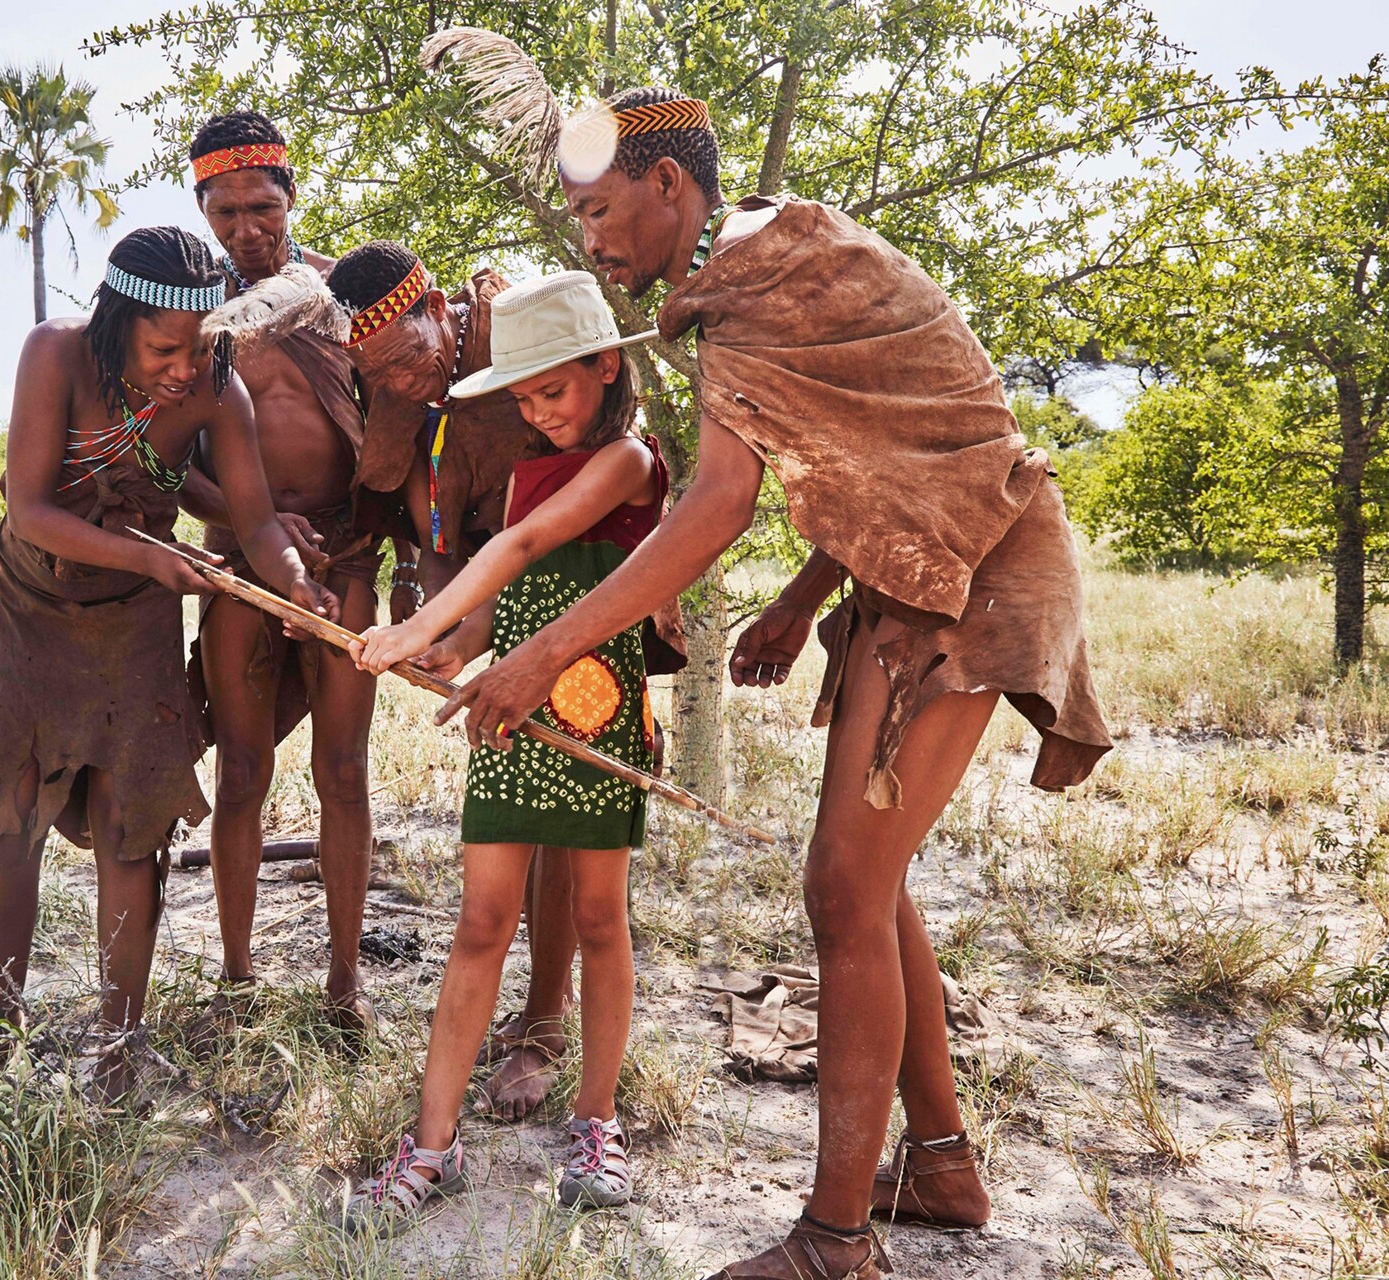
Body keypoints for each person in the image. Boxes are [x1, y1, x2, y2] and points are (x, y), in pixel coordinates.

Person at [439, 88, 1113, 1279]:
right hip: (917, 570)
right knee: (869, 881)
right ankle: (944, 1165)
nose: (592, 242)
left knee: (844, 889)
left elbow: (716, 506)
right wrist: (806, 598)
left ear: (666, 188)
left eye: (600, 212)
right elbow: (885, 433)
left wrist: (538, 655)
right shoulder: (751, 271)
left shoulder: (757, 275)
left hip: (975, 572)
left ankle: (834, 1240)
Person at [0, 226, 336, 1098]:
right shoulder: (56, 356)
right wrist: (156, 558)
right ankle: (1, 1025)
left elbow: (259, 522)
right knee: (12, 816)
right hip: (30, 613)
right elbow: (31, 509)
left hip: (136, 626)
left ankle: (121, 1038)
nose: (187, 368)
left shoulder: (216, 390)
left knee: (133, 822)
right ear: (118, 324)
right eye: (166, 348)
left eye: (202, 347)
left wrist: (300, 585)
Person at [336, 271, 665, 1234]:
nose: (538, 413)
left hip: (597, 715)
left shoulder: (630, 464)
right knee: (482, 922)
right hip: (511, 726)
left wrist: (422, 619)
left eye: (552, 392)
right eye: (521, 398)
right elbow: (498, 605)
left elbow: (523, 549)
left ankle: (595, 1123)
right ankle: (431, 1144)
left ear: (607, 368)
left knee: (602, 920)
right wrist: (443, 644)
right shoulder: (526, 470)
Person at [328, 243, 586, 1118]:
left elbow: (564, 510)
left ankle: (548, 1021)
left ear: (437, 307)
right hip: (487, 612)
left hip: (579, 605)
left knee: (565, 821)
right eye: (378, 374)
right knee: (518, 811)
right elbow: (430, 532)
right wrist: (442, 632)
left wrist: (487, 628)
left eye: (408, 357)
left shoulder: (522, 345)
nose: (399, 382)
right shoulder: (402, 395)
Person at [173, 110, 385, 1038]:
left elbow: (401, 421)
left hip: (345, 561)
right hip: (238, 572)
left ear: (292, 196)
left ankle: (345, 985)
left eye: (263, 206)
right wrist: (247, 525)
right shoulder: (189, 319)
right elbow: (167, 462)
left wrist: (377, 549)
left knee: (345, 770)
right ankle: (236, 977)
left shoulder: (343, 298)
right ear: (201, 207)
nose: (247, 228)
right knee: (244, 772)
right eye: (226, 213)